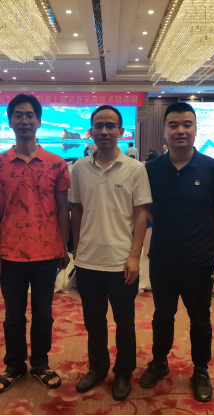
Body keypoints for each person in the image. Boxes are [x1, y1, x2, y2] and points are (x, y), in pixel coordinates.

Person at [140, 102, 214, 403]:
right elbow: (149, 210)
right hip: (163, 258)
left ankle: (201, 369)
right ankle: (159, 361)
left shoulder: (213, 168)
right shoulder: (151, 169)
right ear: (165, 131)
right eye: (174, 125)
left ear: (195, 129)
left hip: (199, 259)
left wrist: (196, 232)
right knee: (162, 315)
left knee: (200, 318)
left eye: (187, 124)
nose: (180, 130)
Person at [0, 94, 71, 395]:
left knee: (43, 314)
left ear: (38, 121)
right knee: (13, 316)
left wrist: (63, 247)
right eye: (18, 115)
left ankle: (41, 364)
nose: (24, 120)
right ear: (10, 121)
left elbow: (63, 208)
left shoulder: (56, 163)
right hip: (10, 253)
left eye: (29, 115)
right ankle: (14, 365)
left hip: (46, 252)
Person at [70, 105, 152, 402]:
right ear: (90, 131)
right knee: (93, 321)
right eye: (99, 125)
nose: (104, 131)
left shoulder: (135, 168)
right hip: (88, 260)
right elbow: (76, 210)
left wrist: (134, 256)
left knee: (125, 322)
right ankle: (98, 368)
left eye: (111, 125)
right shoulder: (79, 168)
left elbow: (141, 214)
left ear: (121, 131)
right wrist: (77, 250)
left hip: (121, 262)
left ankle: (123, 372)